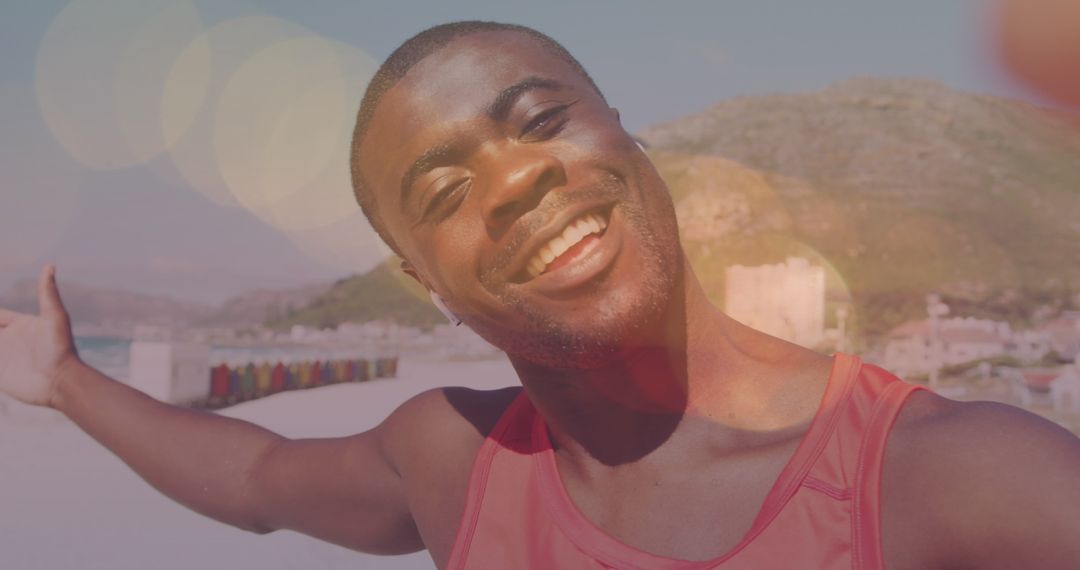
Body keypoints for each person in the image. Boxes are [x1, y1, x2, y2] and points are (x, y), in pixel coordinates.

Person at [1, 21, 1078, 570]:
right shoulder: (452, 462)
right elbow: (257, 476)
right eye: (444, 189)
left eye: (543, 121)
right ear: (427, 282)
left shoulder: (953, 477)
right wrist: (62, 382)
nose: (517, 181)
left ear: (637, 145)